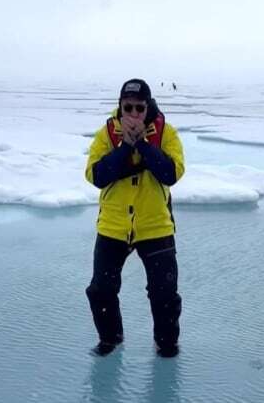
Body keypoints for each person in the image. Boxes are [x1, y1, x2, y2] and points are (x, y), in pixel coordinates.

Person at [84, 78, 185, 358]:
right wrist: (126, 148)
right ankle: (111, 339)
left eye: (139, 108)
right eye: (127, 107)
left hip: (155, 225)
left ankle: (166, 344)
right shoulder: (106, 135)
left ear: (148, 107)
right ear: (120, 106)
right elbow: (96, 176)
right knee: (101, 290)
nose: (133, 114)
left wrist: (143, 143)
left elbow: (171, 173)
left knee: (164, 294)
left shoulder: (167, 134)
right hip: (113, 226)